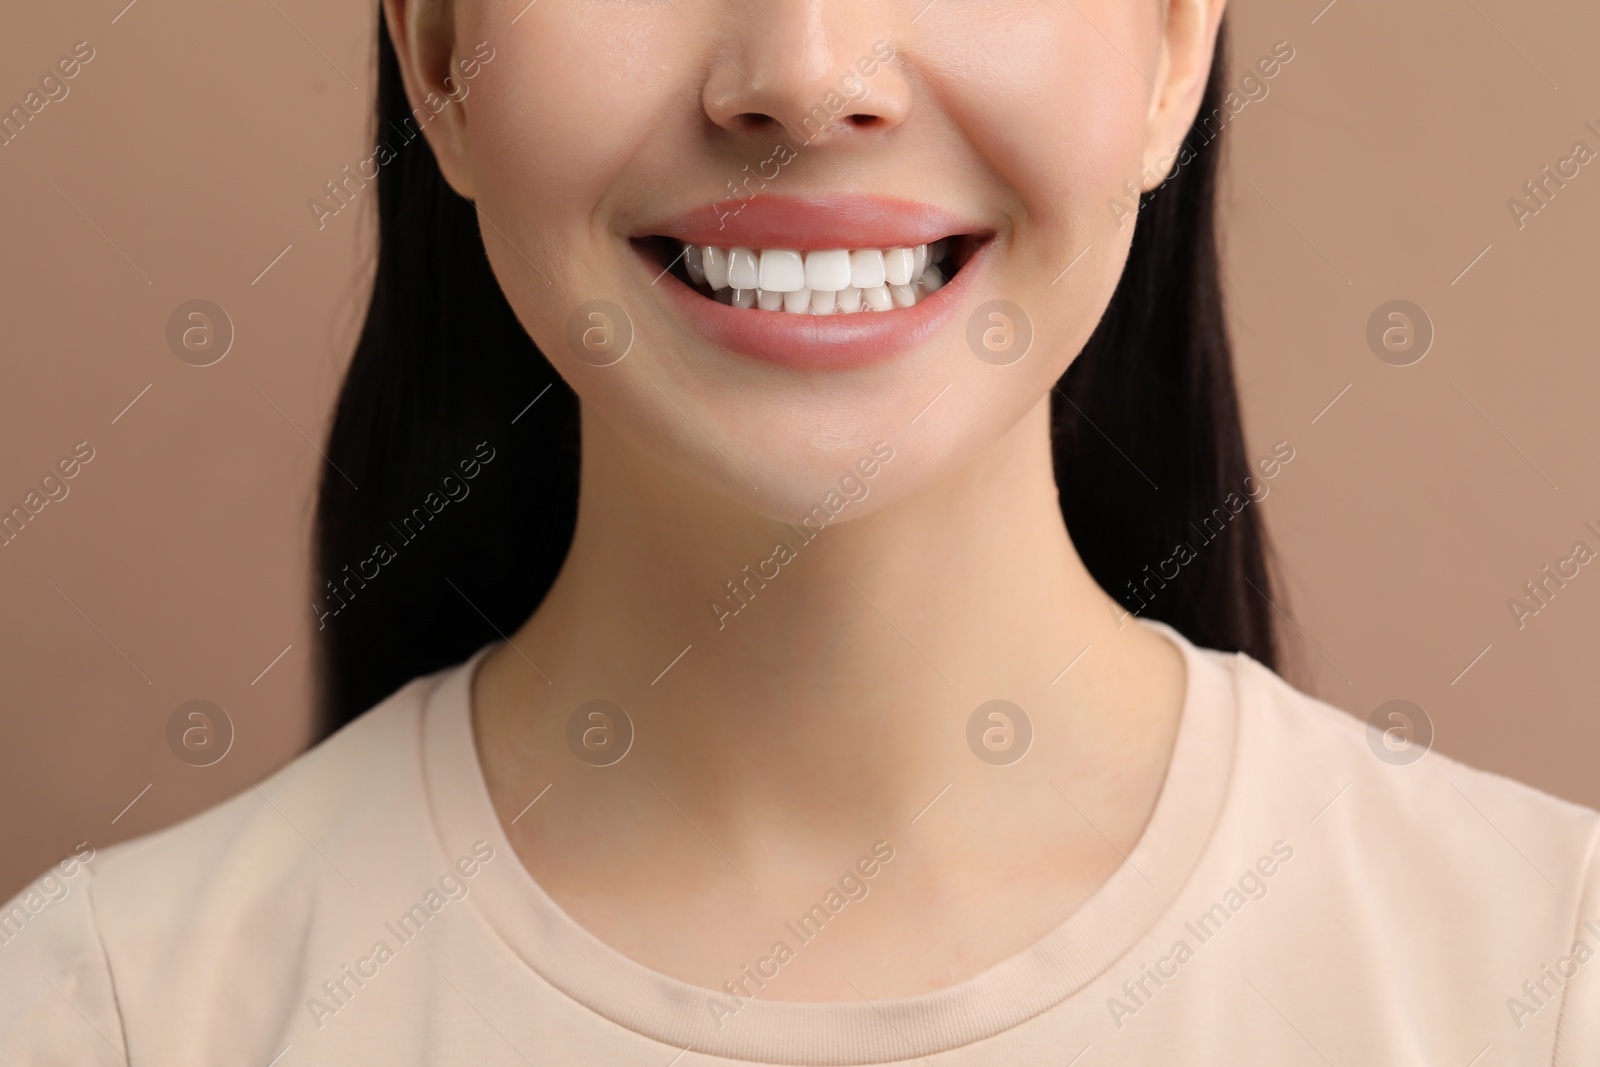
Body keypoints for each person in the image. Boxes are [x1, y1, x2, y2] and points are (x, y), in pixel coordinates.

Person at [4, 0, 1597, 1061]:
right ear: (436, 53)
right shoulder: (112, 1017)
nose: (807, 67)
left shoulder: (1544, 981)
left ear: (1174, 44)